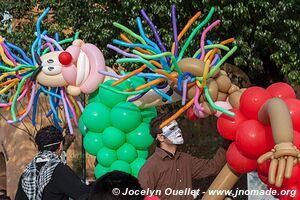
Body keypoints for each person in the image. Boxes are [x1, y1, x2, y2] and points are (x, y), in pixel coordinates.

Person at [138, 114, 230, 200]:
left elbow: (213, 167)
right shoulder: (150, 167)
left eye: (177, 126)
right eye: (173, 128)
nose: (178, 130)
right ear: (161, 137)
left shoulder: (185, 159)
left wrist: (228, 139)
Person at [15, 125, 89, 200]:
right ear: (60, 146)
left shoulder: (26, 174)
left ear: (37, 147)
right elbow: (87, 195)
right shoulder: (60, 171)